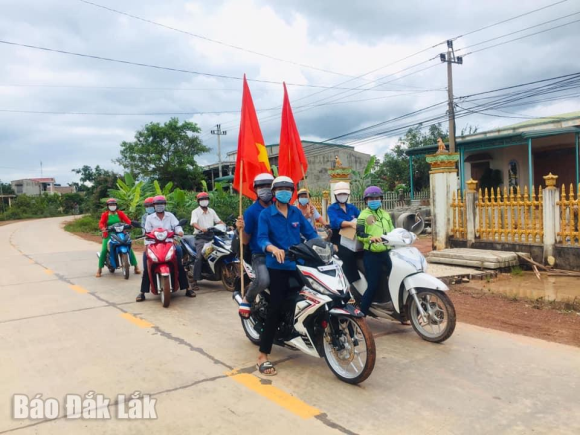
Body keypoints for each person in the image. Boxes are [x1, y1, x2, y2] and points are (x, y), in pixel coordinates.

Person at [256, 176, 319, 376]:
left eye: (288, 188)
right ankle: (263, 355)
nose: (284, 191)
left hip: (298, 264)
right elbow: (262, 239)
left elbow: (310, 234)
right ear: (274, 192)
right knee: (275, 307)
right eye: (280, 188)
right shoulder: (266, 214)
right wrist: (273, 248)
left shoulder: (295, 213)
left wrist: (325, 246)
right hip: (277, 265)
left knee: (309, 297)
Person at [136, 195, 194, 301]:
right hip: (153, 244)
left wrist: (180, 232)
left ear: (165, 205)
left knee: (179, 264)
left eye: (161, 204)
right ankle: (142, 292)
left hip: (169, 242)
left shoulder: (170, 216)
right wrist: (146, 243)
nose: (159, 206)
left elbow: (177, 226)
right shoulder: (149, 218)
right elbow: (146, 232)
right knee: (146, 266)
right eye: (157, 204)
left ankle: (187, 288)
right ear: (154, 206)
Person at [234, 173, 274, 318]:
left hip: (281, 253)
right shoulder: (251, 212)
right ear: (255, 189)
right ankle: (248, 299)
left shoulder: (280, 207)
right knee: (263, 280)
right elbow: (245, 240)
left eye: (269, 186)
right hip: (260, 254)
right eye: (261, 186)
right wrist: (241, 228)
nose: (265, 189)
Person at [356, 186, 394, 315]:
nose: (374, 200)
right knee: (373, 284)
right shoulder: (363, 215)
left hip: (387, 253)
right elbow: (359, 234)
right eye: (370, 198)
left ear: (381, 199)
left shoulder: (386, 215)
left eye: (376, 198)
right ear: (366, 200)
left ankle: (400, 311)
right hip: (372, 255)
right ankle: (362, 313)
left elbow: (393, 231)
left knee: (396, 279)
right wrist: (371, 238)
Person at [327, 181, 361, 285]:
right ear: (335, 195)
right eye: (340, 194)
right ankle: (352, 283)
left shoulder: (352, 207)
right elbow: (335, 221)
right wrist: (350, 224)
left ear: (348, 195)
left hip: (353, 235)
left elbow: (361, 217)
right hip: (338, 237)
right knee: (347, 254)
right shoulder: (331, 208)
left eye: (344, 194)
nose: (342, 196)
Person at [190, 192, 225, 292]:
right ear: (198, 201)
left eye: (205, 199)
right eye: (201, 199)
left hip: (212, 236)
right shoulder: (195, 212)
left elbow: (218, 221)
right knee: (199, 257)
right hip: (201, 237)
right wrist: (201, 228)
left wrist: (225, 226)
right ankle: (194, 280)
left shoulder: (212, 211)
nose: (204, 201)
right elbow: (194, 223)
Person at [96, 198, 140, 277]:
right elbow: (101, 223)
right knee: (103, 250)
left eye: (113, 205)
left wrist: (131, 225)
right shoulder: (105, 214)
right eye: (110, 205)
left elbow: (127, 221)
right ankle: (99, 269)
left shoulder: (120, 213)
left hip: (120, 233)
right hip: (109, 234)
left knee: (128, 247)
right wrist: (103, 228)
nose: (112, 206)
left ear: (116, 206)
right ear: (108, 206)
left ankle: (136, 267)